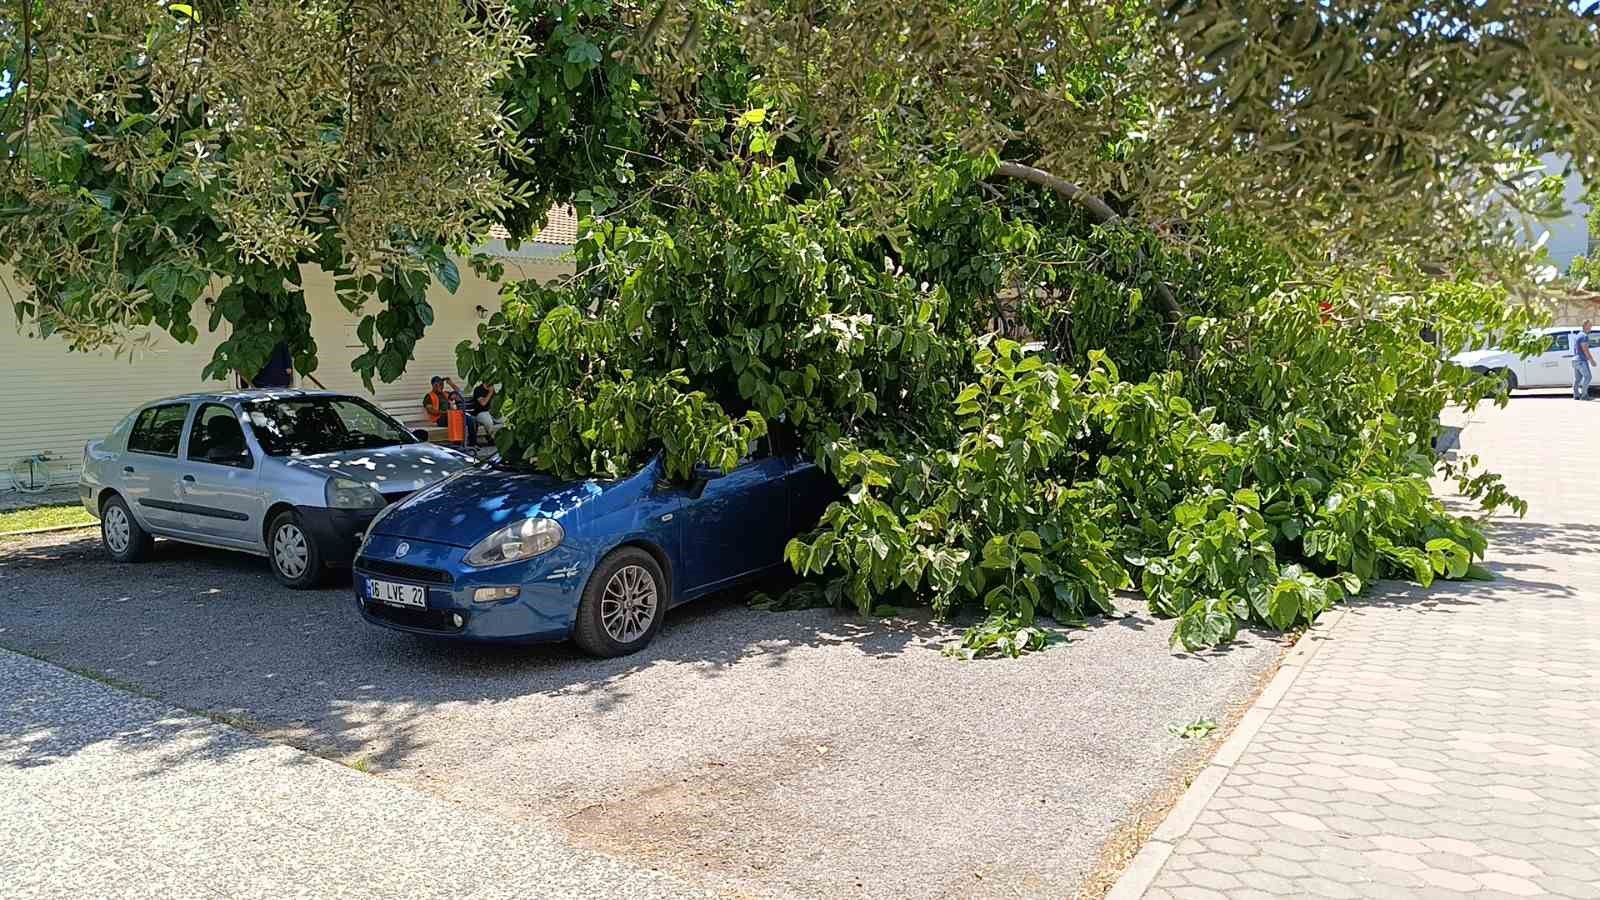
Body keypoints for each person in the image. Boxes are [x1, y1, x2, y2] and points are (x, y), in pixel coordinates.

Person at [422, 376, 477, 445]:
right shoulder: (429, 396)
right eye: (437, 385)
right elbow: (430, 410)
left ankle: (473, 444)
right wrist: (446, 412)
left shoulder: (446, 394)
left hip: (451, 416)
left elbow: (459, 395)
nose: (440, 386)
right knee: (456, 418)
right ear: (433, 385)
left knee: (471, 419)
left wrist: (451, 383)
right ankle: (457, 443)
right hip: (440, 419)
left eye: (441, 384)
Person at [1574, 322, 1596, 402]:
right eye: (1589, 326)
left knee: (1577, 379)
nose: (1591, 327)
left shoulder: (1578, 335)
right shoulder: (1584, 336)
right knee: (1588, 377)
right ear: (1584, 326)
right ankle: (1584, 395)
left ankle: (1576, 395)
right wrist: (1591, 360)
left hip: (1575, 360)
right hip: (1581, 360)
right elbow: (1585, 349)